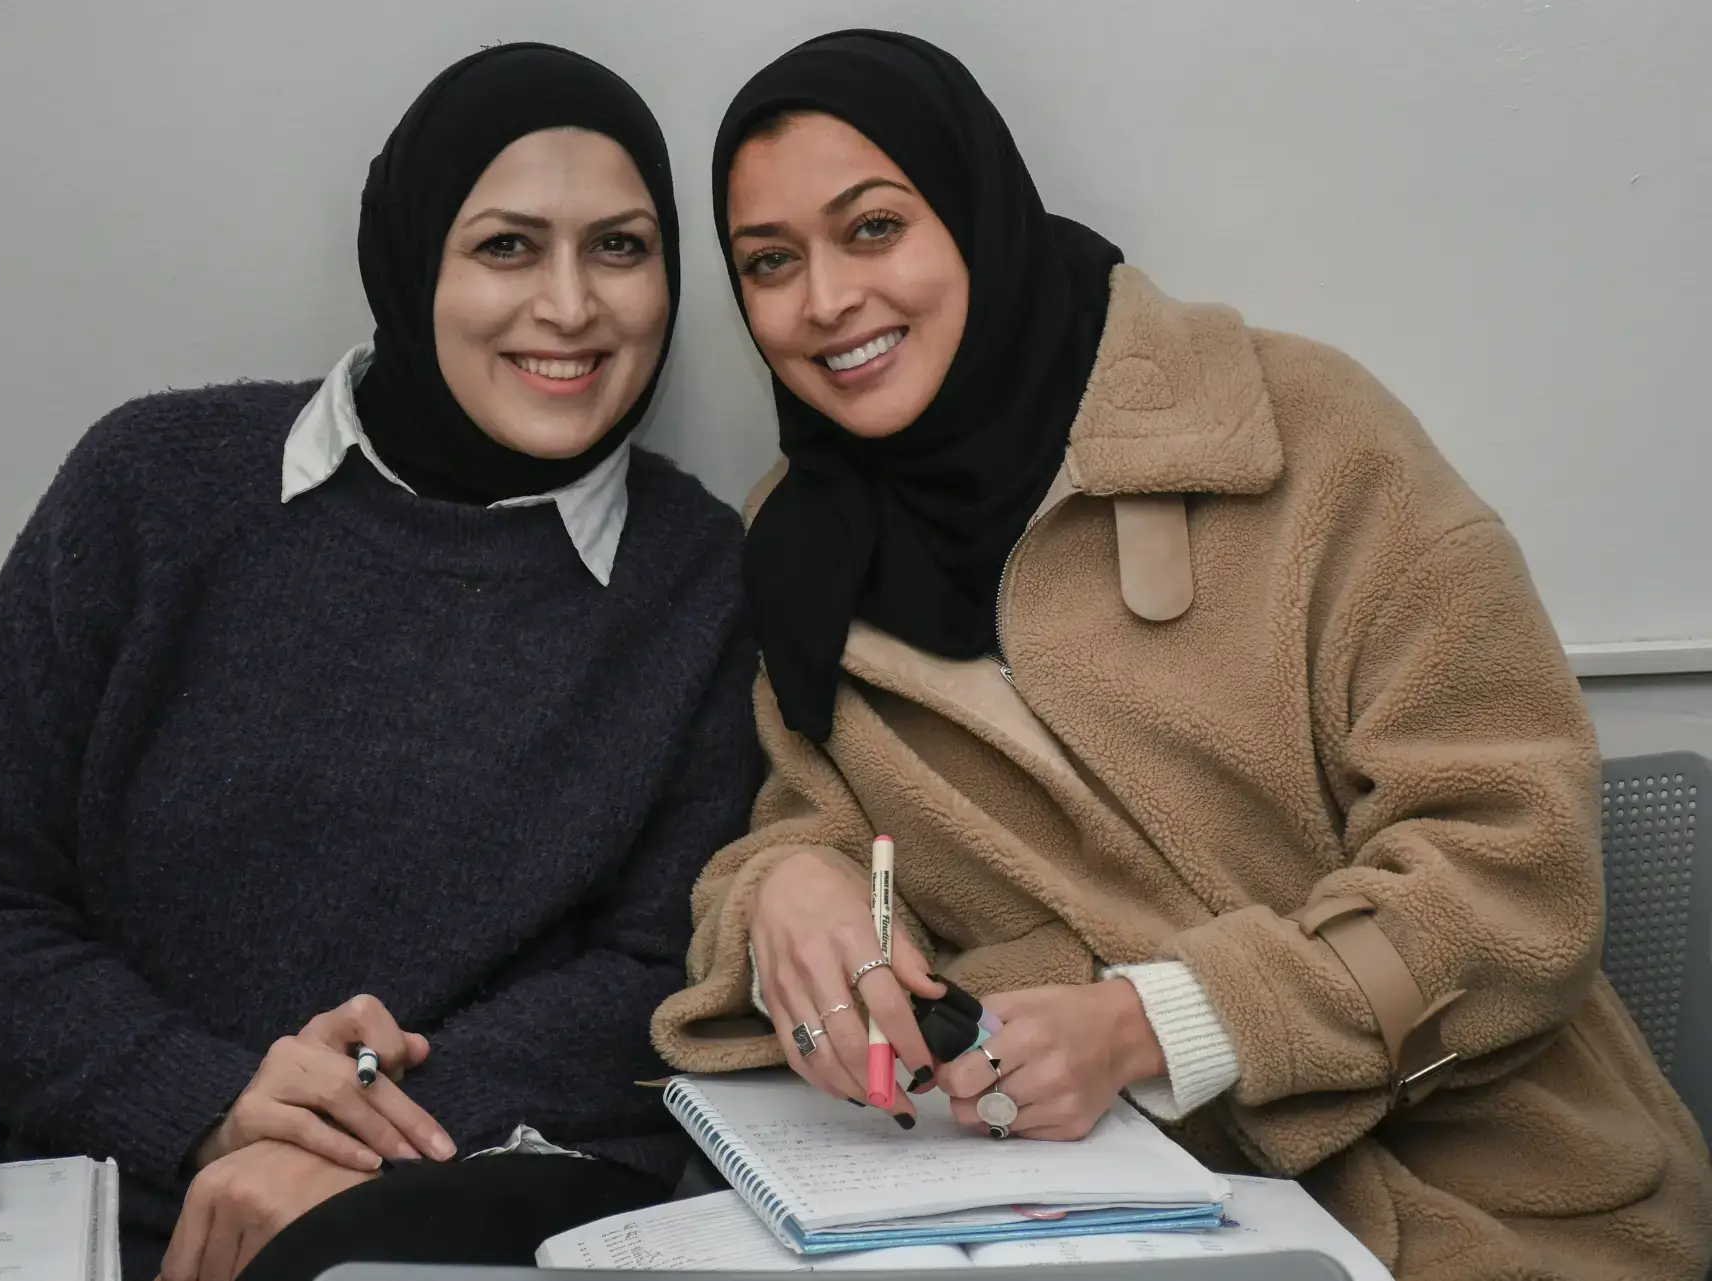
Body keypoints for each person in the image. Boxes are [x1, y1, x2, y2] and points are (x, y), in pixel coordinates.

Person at [652, 29, 1712, 1280]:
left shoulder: (1306, 432)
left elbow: (1518, 874)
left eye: (874, 228)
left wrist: (1150, 1026)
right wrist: (787, 885)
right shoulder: (801, 546)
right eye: (770, 264)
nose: (825, 300)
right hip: (1103, 1227)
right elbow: (822, 828)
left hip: (1496, 1202)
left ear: (975, 212)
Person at [0, 43, 762, 1281]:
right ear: (408, 259)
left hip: (493, 1190)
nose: (571, 305)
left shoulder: (702, 572)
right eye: (507, 246)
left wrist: (344, 1135)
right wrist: (220, 1103)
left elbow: (665, 967)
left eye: (620, 247)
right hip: (117, 1190)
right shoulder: (150, 487)